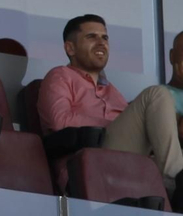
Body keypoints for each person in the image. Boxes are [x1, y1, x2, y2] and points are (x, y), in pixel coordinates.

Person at [38, 14, 183, 187]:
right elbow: (59, 122)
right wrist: (114, 124)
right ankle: (175, 180)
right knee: (157, 94)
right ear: (70, 48)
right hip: (88, 161)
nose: (101, 43)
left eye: (104, 37)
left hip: (127, 161)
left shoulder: (112, 91)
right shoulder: (60, 76)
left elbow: (131, 130)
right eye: (91, 36)